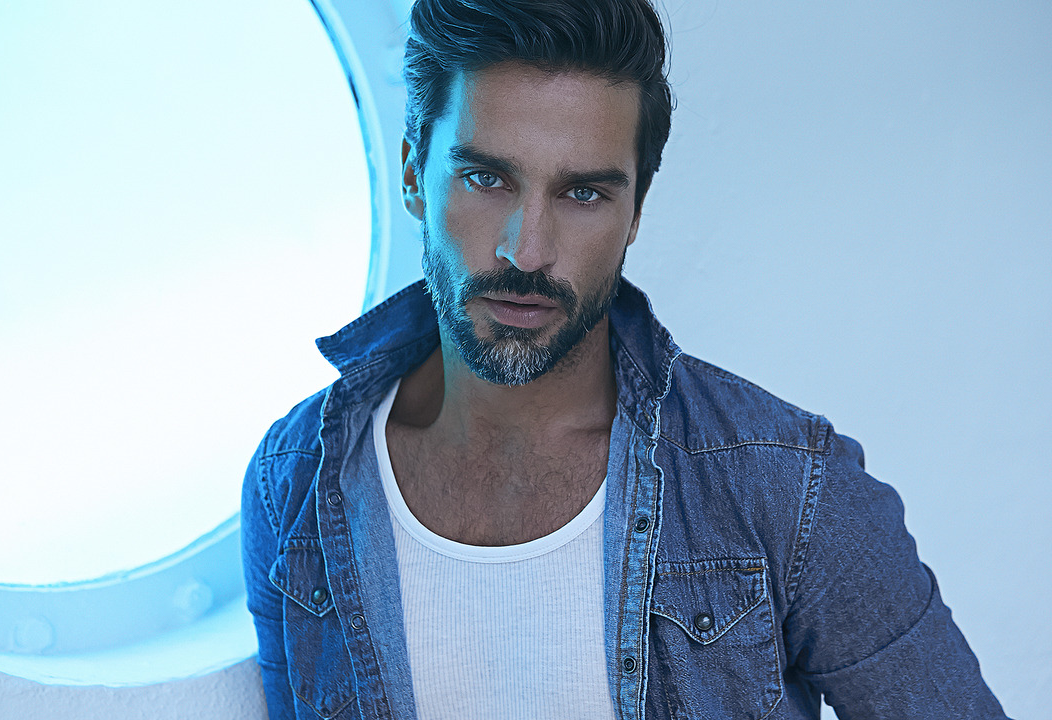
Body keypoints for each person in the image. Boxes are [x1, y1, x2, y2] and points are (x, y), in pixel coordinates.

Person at [241, 1, 1009, 718]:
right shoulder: (294, 481)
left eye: (583, 195)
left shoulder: (788, 487)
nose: (527, 251)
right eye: (486, 178)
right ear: (413, 171)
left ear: (636, 209)